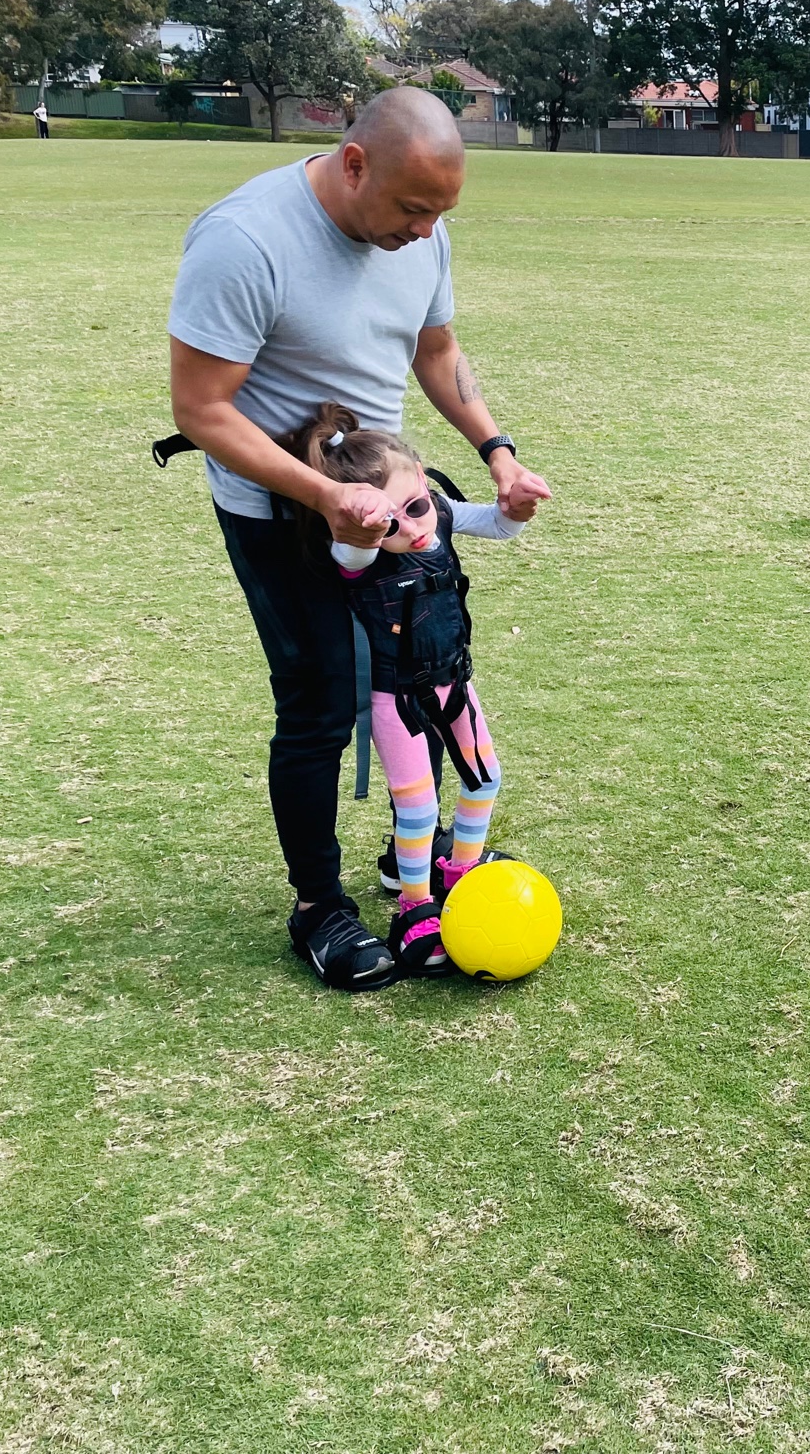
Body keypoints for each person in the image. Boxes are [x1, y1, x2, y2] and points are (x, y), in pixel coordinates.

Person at [167, 87, 550, 991]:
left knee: (418, 676)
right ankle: (318, 907)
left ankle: (411, 862)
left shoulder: (423, 232)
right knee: (320, 702)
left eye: (441, 213)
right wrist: (322, 497)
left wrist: (494, 452)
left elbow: (437, 351)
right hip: (284, 515)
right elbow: (201, 409)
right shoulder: (245, 240)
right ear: (353, 164)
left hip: (389, 508)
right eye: (412, 209)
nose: (425, 233)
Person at [282, 402, 521, 980]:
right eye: (393, 524)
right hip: (398, 700)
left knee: (485, 777)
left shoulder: (432, 507)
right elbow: (355, 550)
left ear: (422, 476)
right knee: (418, 807)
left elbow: (494, 522)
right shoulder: (357, 552)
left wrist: (516, 507)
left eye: (415, 508)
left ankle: (459, 875)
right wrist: (365, 522)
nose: (413, 529)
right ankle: (416, 908)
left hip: (455, 682)